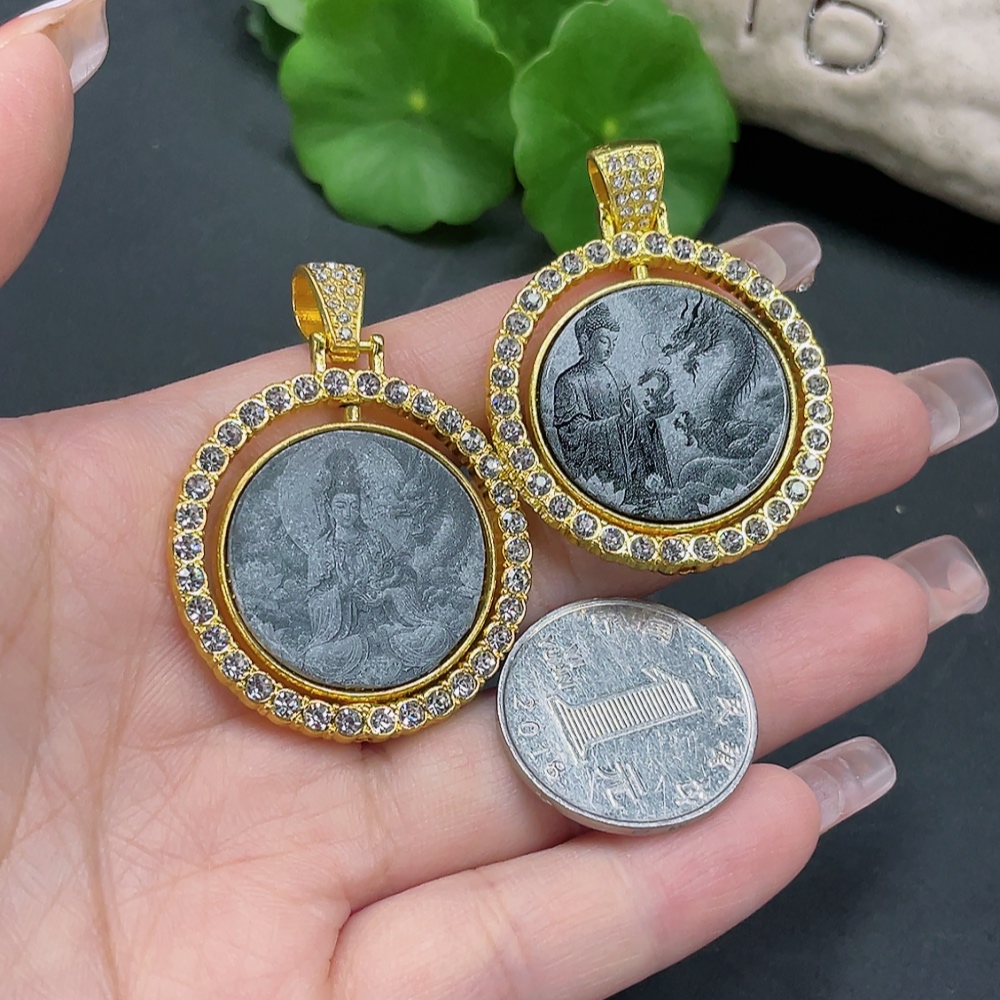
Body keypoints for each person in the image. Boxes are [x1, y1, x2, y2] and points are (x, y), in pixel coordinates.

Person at [0, 5, 995, 997]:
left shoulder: (556, 412)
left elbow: (453, 534)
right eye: (597, 346)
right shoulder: (370, 496)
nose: (347, 516)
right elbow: (353, 571)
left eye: (601, 345)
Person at [552, 301, 675, 516]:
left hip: (630, 453)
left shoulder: (618, 376)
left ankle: (649, 486)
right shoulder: (570, 382)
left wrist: (647, 417)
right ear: (585, 340)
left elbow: (635, 416)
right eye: (603, 340)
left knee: (647, 423)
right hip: (602, 463)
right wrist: (616, 424)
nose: (610, 347)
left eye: (614, 342)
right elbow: (572, 434)